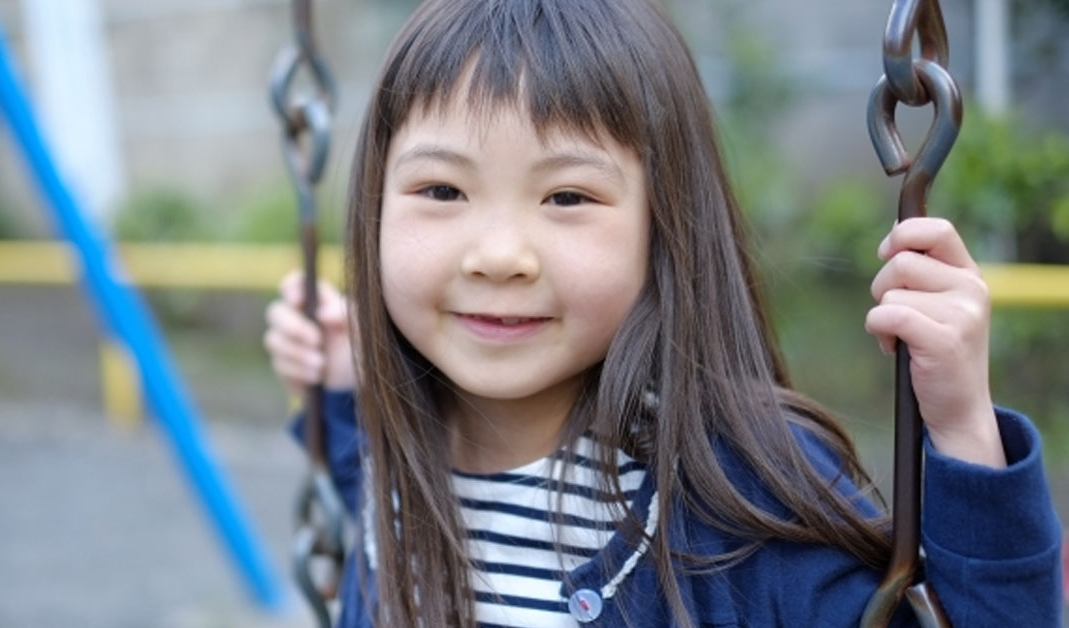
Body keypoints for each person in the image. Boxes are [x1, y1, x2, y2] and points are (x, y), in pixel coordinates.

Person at [264, 0, 1062, 626]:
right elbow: (359, 464)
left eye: (567, 196)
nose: (497, 254)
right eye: (442, 191)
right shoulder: (394, 464)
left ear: (664, 225)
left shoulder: (741, 501)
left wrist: (961, 430)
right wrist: (342, 379)